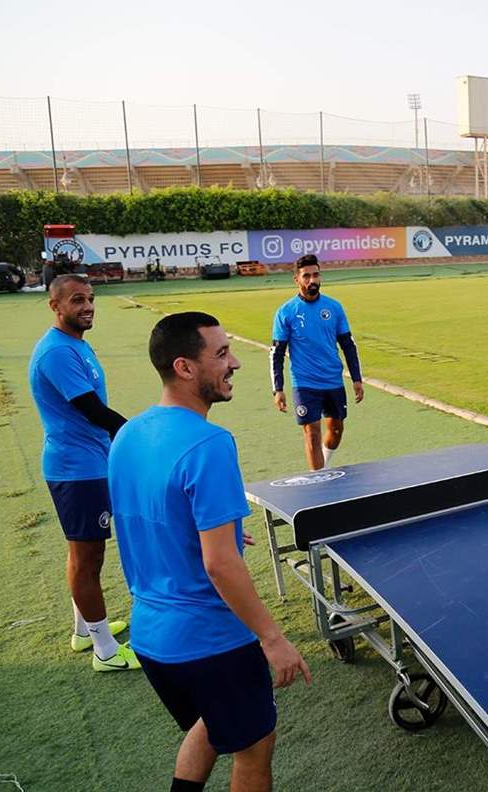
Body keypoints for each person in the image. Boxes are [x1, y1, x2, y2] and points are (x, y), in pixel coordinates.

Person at [109, 312, 311, 792]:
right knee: (253, 751)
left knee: (210, 724)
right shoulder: (210, 444)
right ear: (184, 367)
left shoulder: (128, 434)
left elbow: (145, 515)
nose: (234, 362)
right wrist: (272, 638)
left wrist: (214, 531)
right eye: (221, 354)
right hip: (211, 641)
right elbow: (219, 564)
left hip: (152, 639)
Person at [27, 274, 136, 672]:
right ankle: (105, 650)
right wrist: (141, 433)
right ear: (55, 306)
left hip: (89, 463)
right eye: (77, 300)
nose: (88, 306)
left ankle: (84, 631)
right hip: (77, 470)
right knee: (86, 557)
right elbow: (93, 410)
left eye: (90, 299)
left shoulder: (75, 344)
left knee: (87, 552)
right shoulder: (56, 352)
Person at [270, 254, 364, 470]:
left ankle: (323, 467)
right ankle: (319, 480)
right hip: (304, 382)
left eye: (315, 275)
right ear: (297, 280)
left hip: (333, 380)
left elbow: (348, 345)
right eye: (306, 276)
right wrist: (278, 389)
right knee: (312, 433)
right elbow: (277, 352)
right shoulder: (286, 312)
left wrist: (357, 379)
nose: (312, 280)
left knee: (336, 430)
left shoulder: (334, 307)